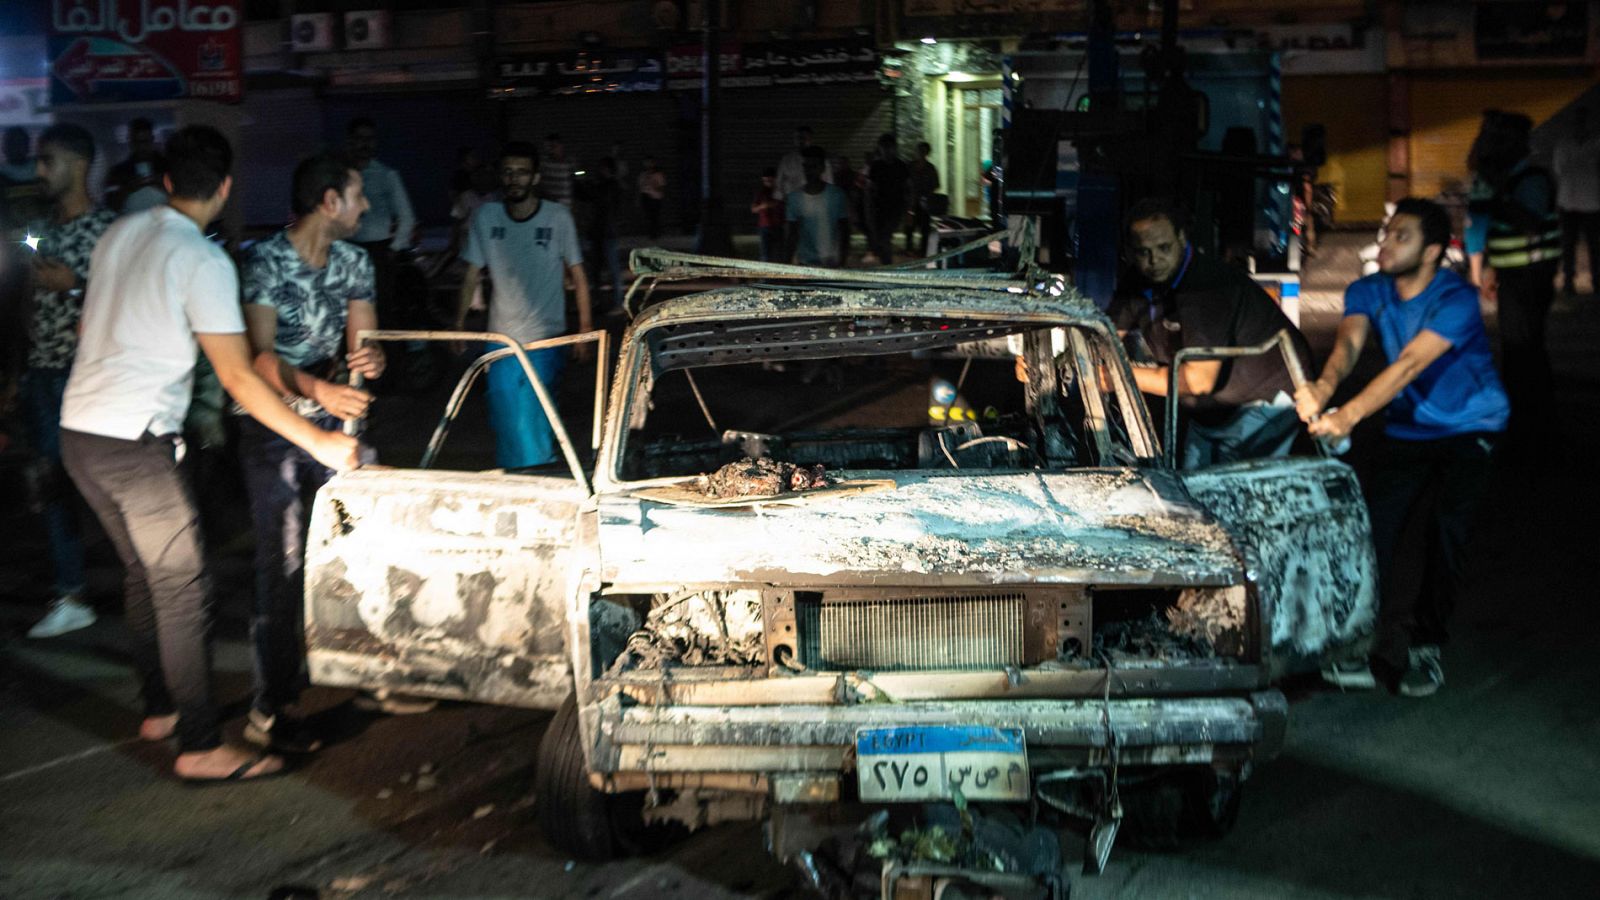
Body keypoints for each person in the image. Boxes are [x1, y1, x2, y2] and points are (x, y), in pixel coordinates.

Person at [59, 125, 362, 782]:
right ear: (224, 189)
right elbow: (239, 376)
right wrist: (319, 440)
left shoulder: (117, 233)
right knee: (184, 588)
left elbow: (88, 326)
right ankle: (199, 745)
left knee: (146, 575)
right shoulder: (202, 259)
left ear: (166, 182)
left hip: (79, 432)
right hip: (135, 441)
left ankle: (161, 709)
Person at [1296, 198, 1508, 697]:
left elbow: (1409, 365)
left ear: (1433, 250)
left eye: (1401, 236)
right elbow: (1347, 347)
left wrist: (1348, 414)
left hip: (1471, 426)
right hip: (1410, 427)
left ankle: (1424, 648)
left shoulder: (1455, 298)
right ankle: (1367, 647)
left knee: (1445, 533)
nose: (1385, 243)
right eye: (1387, 233)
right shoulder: (1369, 289)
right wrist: (1325, 389)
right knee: (1375, 533)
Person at [237, 153, 386, 752]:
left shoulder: (355, 260)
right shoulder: (265, 261)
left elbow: (364, 341)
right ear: (330, 202)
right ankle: (268, 706)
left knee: (368, 543)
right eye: (358, 195)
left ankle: (374, 673)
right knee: (283, 563)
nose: (366, 205)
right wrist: (319, 388)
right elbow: (260, 358)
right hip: (272, 425)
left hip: (334, 422)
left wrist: (370, 361)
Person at [1108, 197, 1312, 467]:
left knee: (1233, 492)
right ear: (1131, 252)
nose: (1154, 260)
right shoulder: (1137, 278)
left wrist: (1112, 376)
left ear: (1182, 238)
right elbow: (1106, 336)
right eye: (1143, 252)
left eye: (1163, 248)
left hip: (1265, 400)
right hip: (1212, 410)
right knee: (1192, 488)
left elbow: (1199, 382)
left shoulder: (1206, 287)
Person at [21, 124, 116, 639]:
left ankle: (154, 579)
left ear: (78, 165)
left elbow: (125, 306)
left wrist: (75, 286)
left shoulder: (107, 230)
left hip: (91, 379)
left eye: (48, 161)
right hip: (44, 375)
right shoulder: (46, 228)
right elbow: (27, 302)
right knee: (52, 487)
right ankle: (71, 592)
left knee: (108, 485)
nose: (39, 172)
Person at [455, 141, 591, 468]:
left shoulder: (558, 218)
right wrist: (458, 323)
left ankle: (540, 478)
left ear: (535, 177)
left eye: (522, 173)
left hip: (546, 338)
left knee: (534, 416)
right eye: (508, 172)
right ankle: (518, 478)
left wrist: (585, 328)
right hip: (500, 339)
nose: (514, 179)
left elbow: (579, 275)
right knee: (505, 415)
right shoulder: (486, 217)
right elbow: (471, 274)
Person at [1467, 111, 1559, 446]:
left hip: (1530, 276)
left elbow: (1529, 223)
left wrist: (1498, 197)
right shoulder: (1507, 179)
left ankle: (1532, 425)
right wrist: (1490, 269)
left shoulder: (1530, 179)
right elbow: (1488, 227)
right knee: (1521, 349)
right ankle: (1531, 419)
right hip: (1514, 274)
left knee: (1524, 350)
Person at [344, 118, 416, 337]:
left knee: (381, 309)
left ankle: (385, 362)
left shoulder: (386, 175)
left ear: (375, 143)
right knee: (344, 308)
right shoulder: (340, 174)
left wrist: (393, 249)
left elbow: (407, 217)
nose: (364, 144)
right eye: (359, 139)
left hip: (378, 252)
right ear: (350, 141)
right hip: (346, 248)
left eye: (369, 139)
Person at [1553, 107, 1599, 295]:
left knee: (1584, 245)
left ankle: (1576, 281)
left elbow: (1559, 170)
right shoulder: (1591, 145)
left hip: (1586, 201)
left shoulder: (1593, 143)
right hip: (1576, 201)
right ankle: (1571, 281)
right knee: (1571, 245)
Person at [784, 146, 850, 268]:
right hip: (806, 264)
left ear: (822, 168)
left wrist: (842, 261)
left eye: (814, 166)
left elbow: (845, 230)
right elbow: (792, 234)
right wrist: (786, 265)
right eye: (806, 166)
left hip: (832, 263)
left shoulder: (836, 195)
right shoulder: (794, 198)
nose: (809, 171)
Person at [582, 156, 625, 313]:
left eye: (602, 168)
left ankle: (618, 303)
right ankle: (599, 301)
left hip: (607, 232)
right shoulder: (606, 185)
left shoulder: (611, 186)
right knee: (597, 270)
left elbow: (598, 199)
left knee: (612, 270)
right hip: (600, 232)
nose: (600, 171)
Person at [103, 117, 167, 215]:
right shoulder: (118, 171)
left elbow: (185, 199)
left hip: (165, 226)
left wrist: (163, 185)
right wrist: (127, 189)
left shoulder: (169, 166)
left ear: (152, 140)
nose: (141, 147)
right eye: (137, 142)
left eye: (145, 141)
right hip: (132, 227)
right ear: (130, 141)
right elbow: (109, 206)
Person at [865, 133, 909, 265]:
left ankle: (888, 266)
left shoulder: (901, 166)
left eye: (889, 147)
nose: (887, 151)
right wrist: (868, 208)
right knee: (880, 239)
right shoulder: (876, 166)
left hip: (896, 207)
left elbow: (909, 187)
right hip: (879, 208)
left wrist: (909, 210)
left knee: (885, 237)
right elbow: (869, 188)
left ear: (894, 148)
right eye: (884, 148)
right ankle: (886, 264)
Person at [905, 140, 940, 256]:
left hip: (925, 202)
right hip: (911, 201)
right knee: (910, 226)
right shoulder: (910, 166)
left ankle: (923, 249)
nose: (921, 153)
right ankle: (909, 247)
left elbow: (936, 184)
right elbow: (904, 181)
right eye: (920, 150)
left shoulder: (930, 168)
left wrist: (927, 193)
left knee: (924, 227)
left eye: (924, 151)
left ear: (927, 153)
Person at [751, 167, 782, 262]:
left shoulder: (779, 191)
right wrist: (763, 206)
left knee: (778, 254)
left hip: (778, 226)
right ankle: (766, 276)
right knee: (765, 254)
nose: (767, 182)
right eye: (765, 180)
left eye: (770, 180)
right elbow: (753, 209)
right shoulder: (761, 192)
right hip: (765, 227)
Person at [538, 133, 577, 207]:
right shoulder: (543, 163)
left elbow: (578, 177)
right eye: (547, 147)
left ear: (561, 146)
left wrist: (578, 174)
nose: (550, 150)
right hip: (548, 205)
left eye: (553, 146)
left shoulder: (570, 162)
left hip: (566, 205)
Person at [637, 155, 665, 240]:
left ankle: (655, 233)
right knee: (648, 216)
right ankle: (650, 233)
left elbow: (661, 186)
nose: (647, 165)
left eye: (649, 162)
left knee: (655, 216)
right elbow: (640, 187)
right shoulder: (643, 174)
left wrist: (654, 185)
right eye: (645, 163)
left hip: (655, 197)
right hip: (645, 196)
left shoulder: (658, 174)